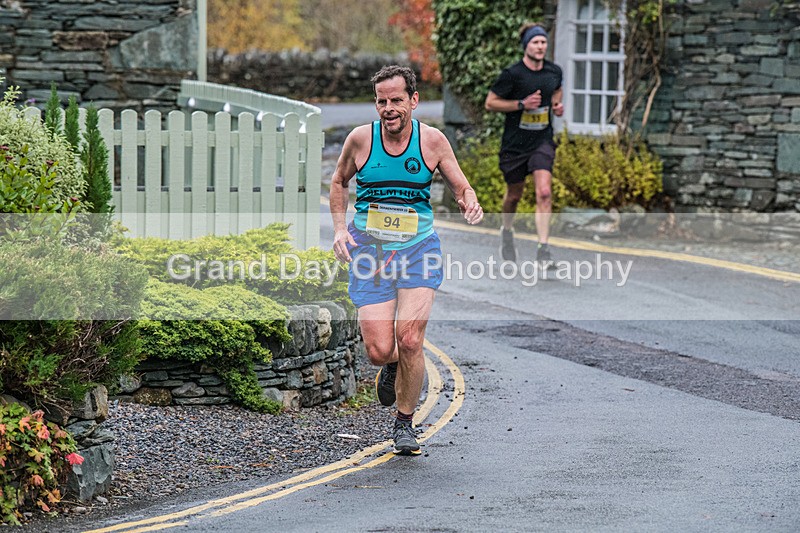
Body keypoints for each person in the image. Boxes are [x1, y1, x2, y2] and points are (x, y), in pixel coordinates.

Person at [330, 65, 483, 455]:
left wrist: (468, 199)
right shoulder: (360, 140)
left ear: (413, 101)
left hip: (418, 250)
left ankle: (404, 424)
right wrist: (339, 229)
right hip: (369, 251)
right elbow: (338, 181)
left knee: (410, 337)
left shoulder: (431, 142)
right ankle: (395, 365)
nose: (388, 108)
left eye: (396, 100)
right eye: (382, 101)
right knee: (380, 350)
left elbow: (459, 183)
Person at [485, 22, 564, 265]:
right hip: (515, 145)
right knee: (514, 195)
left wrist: (556, 105)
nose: (540, 46)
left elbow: (557, 91)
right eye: (535, 42)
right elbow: (491, 103)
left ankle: (543, 249)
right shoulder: (512, 75)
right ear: (526, 46)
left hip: (542, 141)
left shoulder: (554, 71)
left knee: (544, 192)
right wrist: (521, 105)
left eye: (543, 42)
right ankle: (507, 231)